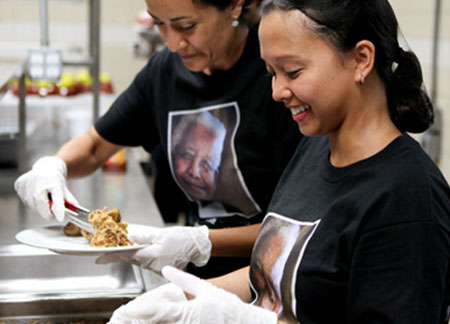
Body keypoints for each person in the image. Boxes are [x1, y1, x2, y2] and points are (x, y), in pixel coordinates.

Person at [106, 0, 450, 323]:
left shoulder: (406, 200)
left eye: (293, 71)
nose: (277, 91)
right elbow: (279, 272)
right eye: (271, 73)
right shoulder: (315, 149)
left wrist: (243, 319)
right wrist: (186, 298)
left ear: (361, 59)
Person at [14, 0, 301, 278]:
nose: (173, 43)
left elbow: (298, 229)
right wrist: (54, 166)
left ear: (235, 5)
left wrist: (201, 242)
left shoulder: (277, 78)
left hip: (274, 282)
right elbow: (94, 146)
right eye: (159, 24)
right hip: (202, 281)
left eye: (186, 26)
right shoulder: (164, 73)